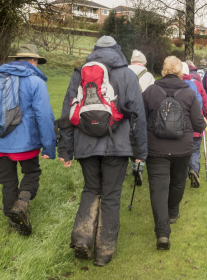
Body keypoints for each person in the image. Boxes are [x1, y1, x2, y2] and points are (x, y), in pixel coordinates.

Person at [59, 36, 147, 267]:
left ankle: (82, 238)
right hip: (117, 147)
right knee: (110, 196)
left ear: (94, 51)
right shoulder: (128, 75)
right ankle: (104, 253)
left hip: (85, 144)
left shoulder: (79, 74)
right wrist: (140, 152)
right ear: (118, 51)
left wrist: (66, 150)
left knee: (90, 189)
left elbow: (67, 113)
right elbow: (138, 115)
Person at [0, 44, 56, 236]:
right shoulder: (35, 81)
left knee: (7, 181)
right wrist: (49, 147)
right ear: (33, 61)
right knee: (32, 173)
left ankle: (11, 219)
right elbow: (44, 116)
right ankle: (21, 205)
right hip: (24, 143)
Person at [142, 56, 207, 250]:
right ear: (180, 72)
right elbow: (198, 123)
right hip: (182, 149)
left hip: (156, 149)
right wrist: (203, 123)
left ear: (163, 70)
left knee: (158, 188)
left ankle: (162, 233)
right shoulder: (188, 93)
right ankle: (172, 212)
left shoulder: (151, 91)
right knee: (178, 182)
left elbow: (141, 119)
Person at [182, 62, 207, 188]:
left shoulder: (176, 86)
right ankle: (194, 169)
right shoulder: (197, 84)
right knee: (195, 149)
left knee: (183, 150)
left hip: (181, 127)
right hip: (196, 124)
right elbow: (205, 103)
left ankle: (181, 174)